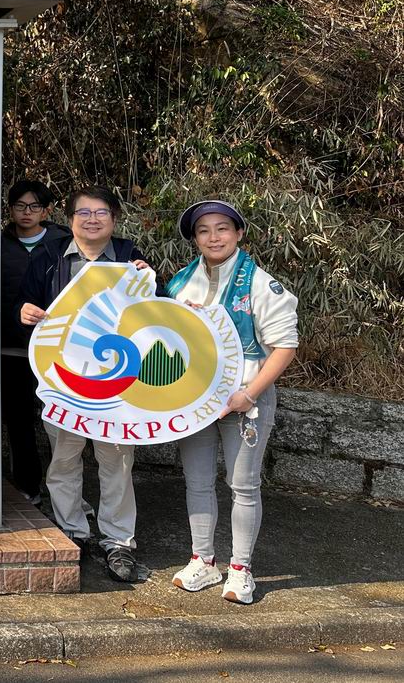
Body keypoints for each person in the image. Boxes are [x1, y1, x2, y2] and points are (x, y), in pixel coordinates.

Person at [18, 186, 157, 583]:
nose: (92, 219)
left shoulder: (132, 260)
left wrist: (150, 284)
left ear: (114, 219)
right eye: (83, 212)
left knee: (117, 461)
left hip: (119, 383)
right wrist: (23, 312)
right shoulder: (48, 257)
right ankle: (72, 532)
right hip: (62, 378)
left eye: (101, 212)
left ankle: (118, 541)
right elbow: (24, 304)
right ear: (69, 219)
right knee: (64, 457)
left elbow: (157, 316)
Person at [167, 200, 298, 604]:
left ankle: (241, 569)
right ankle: (203, 561)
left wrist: (249, 393)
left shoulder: (260, 284)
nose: (213, 237)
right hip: (195, 399)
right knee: (197, 481)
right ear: (194, 238)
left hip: (245, 398)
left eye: (222, 228)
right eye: (203, 230)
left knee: (243, 485)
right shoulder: (179, 283)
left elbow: (285, 346)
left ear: (239, 233)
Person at [0, 180, 69, 504]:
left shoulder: (64, 244)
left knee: (62, 421)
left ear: (47, 210)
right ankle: (28, 486)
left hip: (59, 349)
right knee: (19, 421)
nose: (26, 212)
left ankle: (68, 493)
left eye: (34, 206)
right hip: (11, 347)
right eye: (19, 206)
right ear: (10, 209)